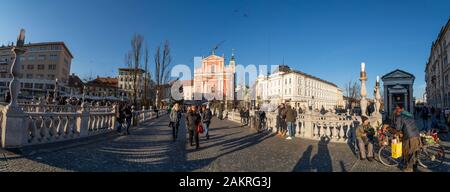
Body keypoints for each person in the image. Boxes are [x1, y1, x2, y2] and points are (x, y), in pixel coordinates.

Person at [394, 105, 421, 172]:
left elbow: (398, 128)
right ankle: (415, 167)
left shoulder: (399, 117)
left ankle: (409, 168)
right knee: (415, 152)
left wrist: (396, 131)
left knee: (408, 152)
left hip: (409, 136)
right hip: (416, 134)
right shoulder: (409, 115)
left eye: (397, 109)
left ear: (399, 110)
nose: (396, 111)